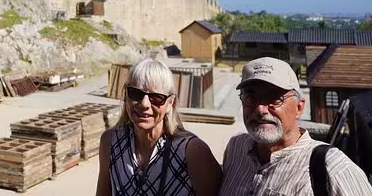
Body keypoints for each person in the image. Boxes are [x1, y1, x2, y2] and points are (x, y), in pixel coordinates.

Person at [219, 57, 372, 195]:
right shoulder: (236, 148)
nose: (260, 109)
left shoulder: (334, 170)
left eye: (274, 98)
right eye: (250, 97)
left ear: (299, 108)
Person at [96, 58, 222, 196]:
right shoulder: (110, 143)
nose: (144, 104)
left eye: (156, 98)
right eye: (136, 93)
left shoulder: (192, 152)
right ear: (126, 96)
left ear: (170, 104)